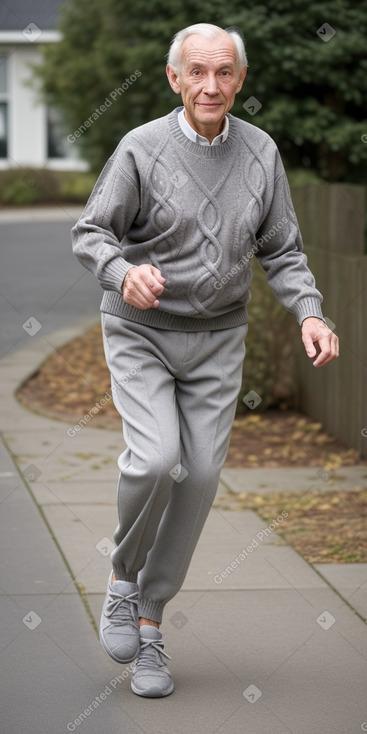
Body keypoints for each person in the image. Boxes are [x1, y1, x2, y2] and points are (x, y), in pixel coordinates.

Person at [71, 22, 339, 698]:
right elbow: (92, 231)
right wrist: (121, 271)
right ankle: (121, 579)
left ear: (239, 80)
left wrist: (309, 311)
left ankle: (152, 627)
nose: (210, 85)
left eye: (223, 73)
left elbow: (281, 249)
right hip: (141, 330)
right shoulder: (141, 149)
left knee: (198, 479)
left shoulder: (260, 153)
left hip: (218, 339)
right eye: (197, 72)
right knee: (158, 459)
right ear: (174, 78)